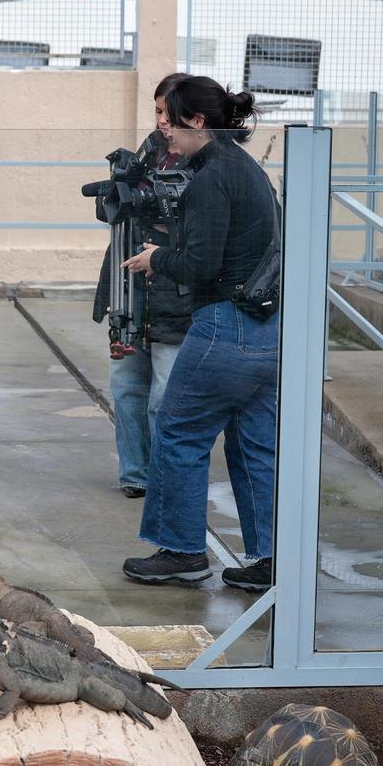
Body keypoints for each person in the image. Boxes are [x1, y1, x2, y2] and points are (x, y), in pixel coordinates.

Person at [119, 75, 280, 592]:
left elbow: (202, 263)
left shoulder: (212, 177)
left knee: (178, 429)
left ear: (198, 122)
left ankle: (183, 551)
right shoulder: (245, 168)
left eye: (170, 117)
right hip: (266, 328)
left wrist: (155, 258)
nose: (162, 127)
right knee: (254, 443)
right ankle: (271, 557)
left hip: (225, 322)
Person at [92, 72, 189, 499]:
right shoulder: (148, 152)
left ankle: (168, 482)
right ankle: (135, 474)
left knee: (164, 400)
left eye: (168, 113)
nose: (162, 122)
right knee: (127, 388)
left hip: (175, 299)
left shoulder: (206, 162)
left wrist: (166, 242)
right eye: (157, 111)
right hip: (129, 293)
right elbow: (117, 212)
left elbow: (205, 235)